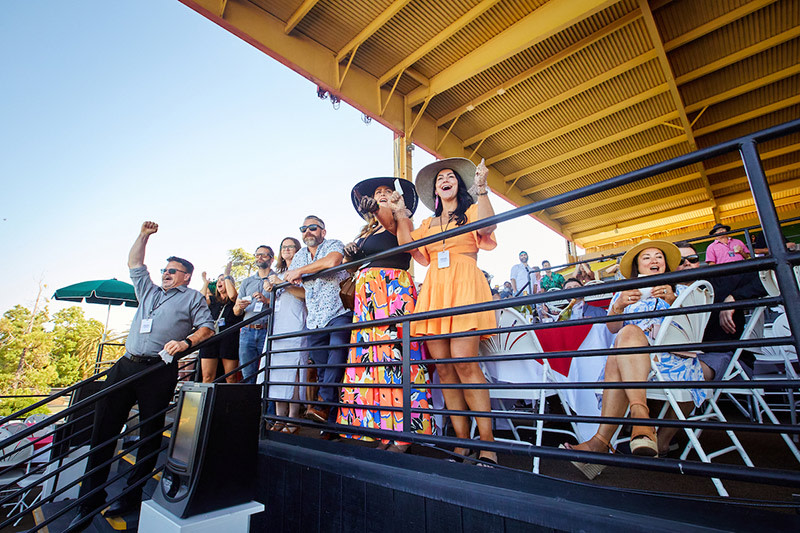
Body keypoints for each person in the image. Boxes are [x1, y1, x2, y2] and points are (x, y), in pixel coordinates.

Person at [70, 222, 214, 528]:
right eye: (165, 269)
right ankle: (89, 500)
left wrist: (186, 343)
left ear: (186, 276)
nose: (166, 273)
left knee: (149, 434)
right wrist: (144, 235)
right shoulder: (148, 290)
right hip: (125, 366)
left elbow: (207, 328)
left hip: (159, 369)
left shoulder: (192, 298)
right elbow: (135, 263)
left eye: (173, 271)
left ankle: (131, 496)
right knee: (103, 429)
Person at [562, 240, 707, 477]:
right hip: (635, 361)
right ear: (637, 266)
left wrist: (673, 302)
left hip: (670, 360)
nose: (654, 261)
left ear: (666, 263)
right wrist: (618, 306)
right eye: (647, 257)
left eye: (658, 256)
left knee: (619, 350)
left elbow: (695, 329)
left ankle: (602, 440)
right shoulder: (625, 292)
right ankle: (641, 419)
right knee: (624, 338)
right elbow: (611, 328)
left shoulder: (681, 290)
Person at [393, 157, 499, 466]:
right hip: (436, 290)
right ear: (435, 191)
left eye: (451, 176)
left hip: (465, 283)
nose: (445, 179)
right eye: (440, 178)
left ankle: (488, 444)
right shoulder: (427, 223)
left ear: (458, 185)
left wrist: (482, 188)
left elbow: (489, 225)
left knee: (465, 365)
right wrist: (401, 213)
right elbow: (407, 246)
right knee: (444, 368)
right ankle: (462, 442)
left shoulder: (472, 210)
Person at [337, 177, 434, 452]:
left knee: (396, 357)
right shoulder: (367, 231)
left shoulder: (400, 220)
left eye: (385, 191)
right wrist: (350, 256)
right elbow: (351, 268)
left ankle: (403, 436)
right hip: (367, 299)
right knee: (373, 362)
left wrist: (382, 208)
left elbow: (395, 229)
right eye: (376, 193)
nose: (380, 194)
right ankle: (382, 431)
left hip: (392, 293)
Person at [285, 216, 352, 430]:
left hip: (339, 311)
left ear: (322, 231)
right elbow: (299, 290)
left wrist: (300, 272)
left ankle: (323, 403)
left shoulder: (333, 244)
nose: (307, 232)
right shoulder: (299, 256)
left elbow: (333, 261)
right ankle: (330, 424)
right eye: (303, 229)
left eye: (312, 227)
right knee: (324, 370)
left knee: (336, 359)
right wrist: (286, 283)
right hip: (314, 319)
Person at [263, 237, 307, 434]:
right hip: (278, 326)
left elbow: (305, 294)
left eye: (291, 246)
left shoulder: (303, 269)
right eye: (283, 247)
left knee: (293, 371)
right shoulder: (277, 273)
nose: (287, 249)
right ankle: (279, 417)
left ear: (298, 250)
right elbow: (274, 303)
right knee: (276, 371)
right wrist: (269, 292)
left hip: (296, 323)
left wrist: (282, 284)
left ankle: (293, 419)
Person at [233, 245, 276, 384]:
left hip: (268, 330)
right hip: (247, 331)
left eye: (263, 255)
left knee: (268, 372)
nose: (259, 258)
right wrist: (239, 306)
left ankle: (267, 406)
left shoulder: (278, 279)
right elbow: (236, 311)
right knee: (248, 373)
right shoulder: (247, 282)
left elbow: (285, 305)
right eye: (257, 255)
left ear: (272, 259)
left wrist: (267, 300)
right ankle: (250, 405)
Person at [198, 265, 242, 383]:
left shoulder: (236, 300)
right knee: (207, 377)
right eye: (218, 280)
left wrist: (227, 275)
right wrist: (205, 283)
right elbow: (200, 300)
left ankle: (230, 400)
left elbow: (232, 296)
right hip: (211, 340)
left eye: (223, 280)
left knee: (230, 377)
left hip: (229, 340)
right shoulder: (212, 301)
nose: (219, 282)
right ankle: (207, 401)